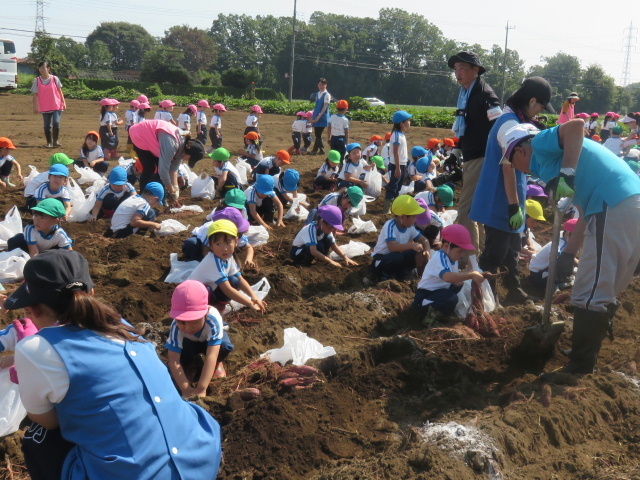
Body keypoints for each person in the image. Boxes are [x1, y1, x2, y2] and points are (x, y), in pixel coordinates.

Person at [6, 249, 222, 479]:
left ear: (31, 310)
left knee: (38, 437)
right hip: (200, 455)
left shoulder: (34, 349)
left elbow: (48, 420)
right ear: (91, 292)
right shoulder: (119, 324)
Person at [501, 120, 640, 376]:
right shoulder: (556, 160)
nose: (516, 169)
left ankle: (580, 366)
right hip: (624, 203)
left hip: (613, 203)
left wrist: (566, 172)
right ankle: (585, 355)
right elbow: (585, 213)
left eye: (512, 161)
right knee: (603, 288)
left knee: (589, 292)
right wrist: (567, 253)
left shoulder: (539, 143)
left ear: (519, 150)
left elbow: (576, 125)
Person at [469, 76, 554, 303]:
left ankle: (513, 291)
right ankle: (482, 298)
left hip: (510, 196)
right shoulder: (508, 124)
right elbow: (508, 169)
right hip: (501, 198)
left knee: (512, 249)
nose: (538, 113)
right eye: (539, 107)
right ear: (532, 100)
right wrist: (514, 206)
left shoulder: (515, 121)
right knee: (494, 253)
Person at [448, 50, 501, 259]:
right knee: (476, 209)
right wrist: (455, 152)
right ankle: (481, 255)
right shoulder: (466, 94)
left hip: (482, 157)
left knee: (466, 210)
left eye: (462, 68)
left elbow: (498, 127)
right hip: (471, 155)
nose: (458, 73)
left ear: (475, 70)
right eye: (455, 69)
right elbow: (465, 128)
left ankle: (468, 257)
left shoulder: (485, 95)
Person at [166, 280, 234, 395]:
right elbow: (174, 360)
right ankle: (190, 364)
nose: (188, 328)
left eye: (194, 322)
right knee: (183, 357)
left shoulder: (212, 320)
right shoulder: (175, 326)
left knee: (225, 346)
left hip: (209, 343)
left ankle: (218, 364)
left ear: (205, 313)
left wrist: (201, 389)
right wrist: (186, 389)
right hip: (189, 343)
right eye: (182, 323)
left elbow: (211, 356)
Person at [189, 219, 268, 313]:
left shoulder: (228, 257)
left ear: (236, 242)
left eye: (228, 242)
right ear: (211, 245)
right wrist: (250, 304)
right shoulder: (212, 262)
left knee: (234, 280)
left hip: (209, 290)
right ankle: (208, 311)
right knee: (206, 290)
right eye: (218, 244)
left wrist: (254, 297)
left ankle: (219, 305)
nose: (224, 248)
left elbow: (240, 279)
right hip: (191, 298)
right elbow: (227, 290)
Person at [413, 224, 485, 320]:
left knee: (457, 287)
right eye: (459, 251)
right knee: (451, 298)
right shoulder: (440, 258)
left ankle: (440, 315)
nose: (460, 255)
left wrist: (469, 269)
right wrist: (471, 275)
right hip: (424, 297)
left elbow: (456, 281)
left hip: (437, 294)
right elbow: (447, 277)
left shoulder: (452, 259)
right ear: (446, 246)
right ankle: (429, 318)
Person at [128, 119, 206, 203]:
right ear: (188, 153)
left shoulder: (183, 147)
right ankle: (144, 197)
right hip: (140, 133)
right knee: (150, 167)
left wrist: (176, 188)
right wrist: (171, 189)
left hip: (155, 139)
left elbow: (173, 169)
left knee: (160, 168)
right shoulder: (172, 146)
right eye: (190, 159)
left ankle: (160, 198)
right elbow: (163, 172)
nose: (187, 160)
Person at [371, 195, 430, 281]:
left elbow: (424, 240)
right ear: (402, 217)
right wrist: (411, 245)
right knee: (397, 256)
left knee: (414, 253)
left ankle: (403, 274)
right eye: (413, 217)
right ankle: (384, 277)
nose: (415, 220)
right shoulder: (390, 225)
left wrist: (427, 251)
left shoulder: (410, 228)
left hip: (398, 257)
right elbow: (392, 247)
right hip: (382, 259)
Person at [290, 205, 358, 268]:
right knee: (319, 245)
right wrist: (331, 261)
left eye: (334, 228)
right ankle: (302, 265)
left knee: (328, 239)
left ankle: (321, 262)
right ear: (322, 221)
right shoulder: (311, 229)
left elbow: (334, 246)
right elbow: (313, 251)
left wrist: (345, 258)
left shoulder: (325, 229)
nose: (332, 230)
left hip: (309, 249)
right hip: (297, 252)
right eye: (330, 227)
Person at [7, 198, 72, 257]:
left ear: (55, 221)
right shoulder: (31, 229)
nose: (37, 221)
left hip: (46, 253)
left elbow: (70, 253)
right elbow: (34, 252)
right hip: (28, 250)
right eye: (35, 216)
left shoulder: (59, 234)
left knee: (60, 251)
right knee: (17, 239)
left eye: (42, 218)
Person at [31, 60, 66, 148]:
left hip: (56, 105)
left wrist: (63, 102)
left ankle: (55, 141)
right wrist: (35, 106)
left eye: (44, 68)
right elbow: (35, 94)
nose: (42, 70)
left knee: (56, 123)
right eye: (40, 68)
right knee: (47, 125)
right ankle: (49, 142)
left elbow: (60, 91)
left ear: (48, 68)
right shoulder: (37, 80)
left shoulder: (54, 78)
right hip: (44, 106)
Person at [384, 111, 413, 213]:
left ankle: (395, 206)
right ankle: (386, 208)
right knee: (393, 186)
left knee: (398, 186)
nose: (409, 122)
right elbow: (395, 152)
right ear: (401, 123)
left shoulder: (401, 134)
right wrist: (397, 168)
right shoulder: (396, 135)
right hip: (397, 165)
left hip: (401, 164)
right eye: (408, 120)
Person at [309, 78, 331, 155]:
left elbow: (325, 107)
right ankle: (321, 149)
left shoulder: (327, 95)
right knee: (317, 134)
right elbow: (317, 106)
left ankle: (315, 150)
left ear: (326, 85)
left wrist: (318, 117)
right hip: (317, 115)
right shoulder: (318, 94)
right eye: (319, 84)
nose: (320, 86)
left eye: (322, 84)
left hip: (323, 117)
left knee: (318, 133)